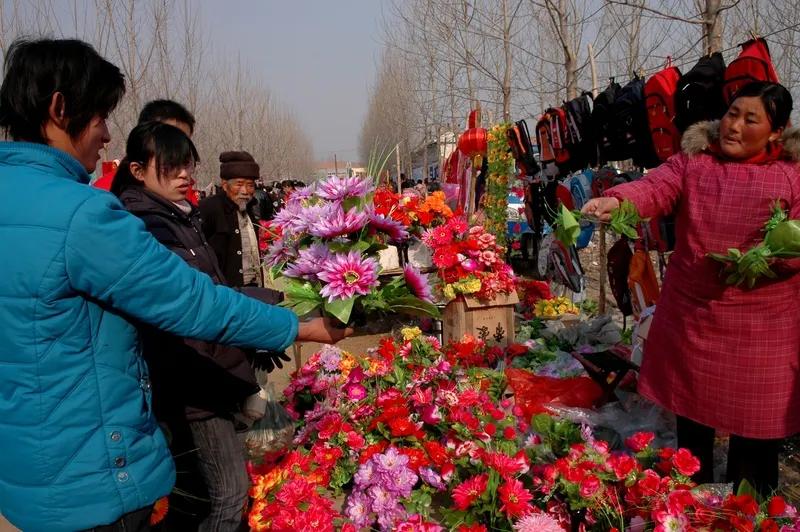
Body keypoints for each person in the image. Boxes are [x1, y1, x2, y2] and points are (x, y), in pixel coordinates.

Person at [0, 37, 350, 532]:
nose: (105, 135)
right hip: (93, 473)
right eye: (100, 115)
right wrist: (301, 328)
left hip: (26, 474)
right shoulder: (81, 214)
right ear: (60, 109)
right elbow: (191, 301)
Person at [583, 81, 800, 495]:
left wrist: (771, 258)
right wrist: (618, 200)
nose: (734, 126)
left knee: (754, 444)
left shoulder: (793, 174)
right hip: (695, 320)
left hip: (764, 332)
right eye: (732, 114)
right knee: (693, 436)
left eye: (750, 119)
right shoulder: (695, 163)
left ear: (776, 131)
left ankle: (749, 514)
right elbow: (654, 187)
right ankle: (687, 509)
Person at [114, 122, 288, 531]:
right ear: (138, 171)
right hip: (193, 377)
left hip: (215, 356)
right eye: (173, 167)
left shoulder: (181, 216)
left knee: (205, 495)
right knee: (228, 496)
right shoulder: (148, 227)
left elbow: (217, 288)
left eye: (188, 166)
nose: (185, 175)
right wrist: (276, 321)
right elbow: (197, 301)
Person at [199, 151, 262, 287]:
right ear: (224, 184)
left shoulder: (251, 208)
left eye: (250, 185)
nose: (245, 191)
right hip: (225, 290)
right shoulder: (209, 208)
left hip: (252, 287)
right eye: (239, 184)